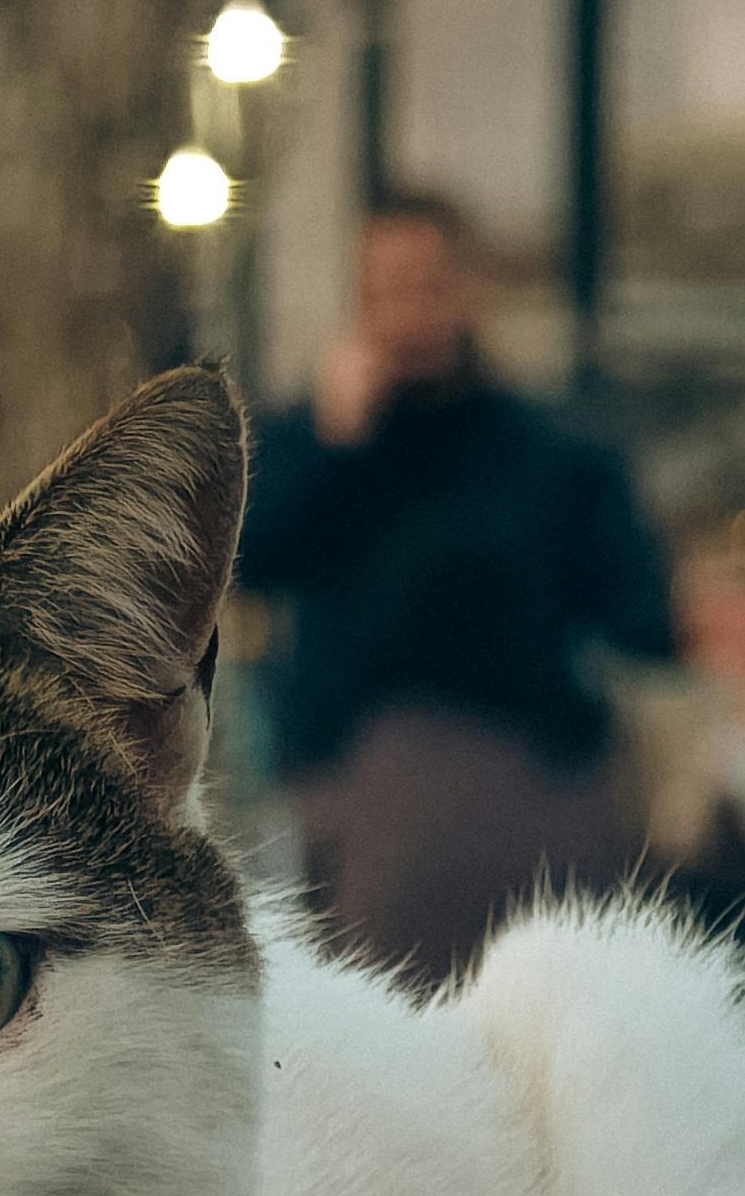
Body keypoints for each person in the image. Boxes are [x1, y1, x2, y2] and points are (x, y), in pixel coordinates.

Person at [239, 192, 676, 987]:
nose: (407, 311)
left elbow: (638, 607)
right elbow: (249, 560)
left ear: (468, 289)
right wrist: (332, 442)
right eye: (384, 290)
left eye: (426, 285)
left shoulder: (544, 454)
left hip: (526, 766)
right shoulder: (323, 445)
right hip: (369, 773)